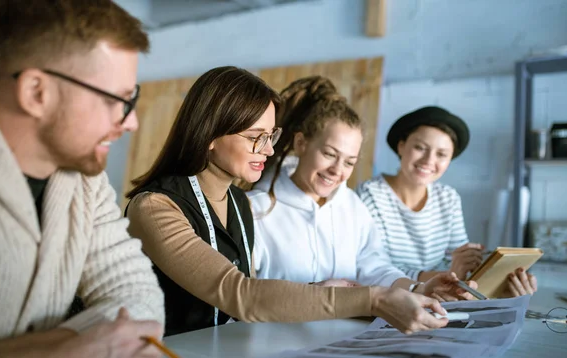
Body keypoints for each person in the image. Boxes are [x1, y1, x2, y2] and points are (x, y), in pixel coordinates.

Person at [125, 66, 451, 337]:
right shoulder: (155, 206)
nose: (267, 151)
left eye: (271, 137)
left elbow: (254, 293)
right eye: (256, 138)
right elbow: (239, 294)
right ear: (210, 134)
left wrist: (317, 289)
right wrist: (372, 300)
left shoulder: (238, 203)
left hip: (218, 356)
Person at [0, 0, 165, 358]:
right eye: (118, 99)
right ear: (36, 92)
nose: (131, 122)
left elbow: (139, 298)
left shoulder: (83, 178)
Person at [248, 76, 475, 303]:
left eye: (349, 162)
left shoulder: (351, 206)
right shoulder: (256, 209)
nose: (337, 170)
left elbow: (375, 268)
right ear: (301, 143)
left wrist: (419, 289)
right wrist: (315, 292)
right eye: (329, 154)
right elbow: (241, 295)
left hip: (346, 336)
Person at [356, 106, 537, 297]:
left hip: (438, 297)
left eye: (441, 154)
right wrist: (450, 274)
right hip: (390, 300)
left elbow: (458, 263)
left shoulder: (448, 198)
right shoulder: (369, 195)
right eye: (420, 148)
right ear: (401, 146)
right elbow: (374, 269)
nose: (428, 160)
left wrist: (499, 283)